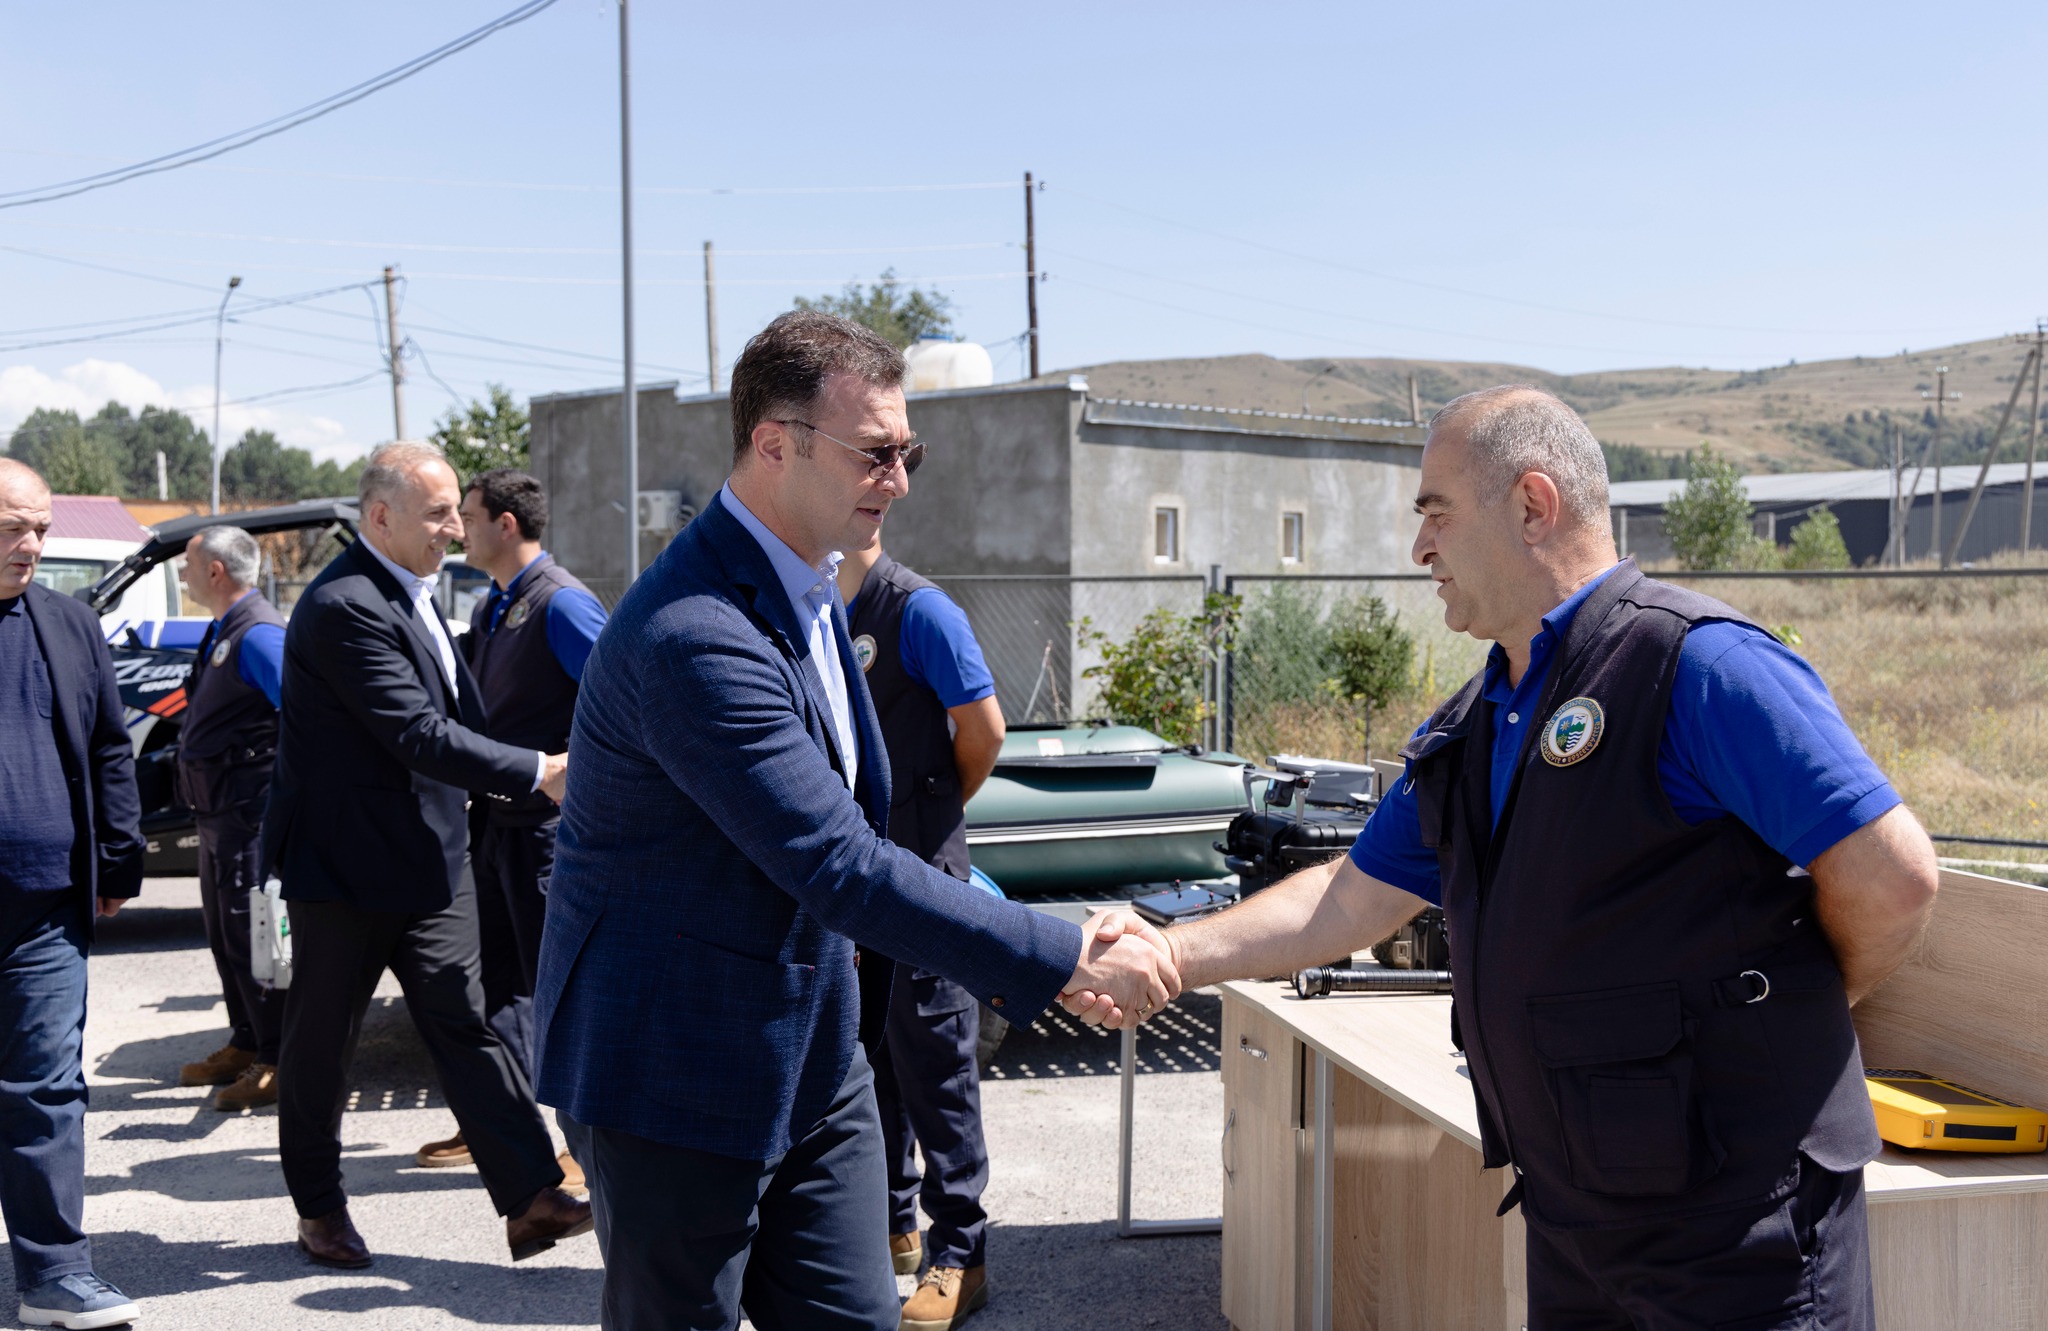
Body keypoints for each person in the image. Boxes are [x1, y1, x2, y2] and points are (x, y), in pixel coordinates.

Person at [1072, 386, 1940, 1331]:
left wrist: (1797, 1006)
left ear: (1532, 505)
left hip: (1740, 1227)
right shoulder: (1479, 720)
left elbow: (1892, 879)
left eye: (1437, 513)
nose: (1420, 548)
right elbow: (1348, 901)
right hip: (1577, 1215)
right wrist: (1171, 950)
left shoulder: (1698, 668)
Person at [532, 310, 1177, 1331]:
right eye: (874, 452)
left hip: (818, 1055)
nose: (899, 479)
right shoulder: (693, 631)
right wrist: (1062, 952)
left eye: (908, 450)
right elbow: (838, 862)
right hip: (676, 1067)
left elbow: (861, 826)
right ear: (774, 445)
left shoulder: (813, 586)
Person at [260, 442, 590, 1270]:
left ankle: (531, 1196)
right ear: (381, 517)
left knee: (468, 1022)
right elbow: (415, 731)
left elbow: (452, 720)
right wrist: (538, 770)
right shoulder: (343, 605)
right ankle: (319, 1207)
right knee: (322, 1044)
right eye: (439, 513)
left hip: (433, 861)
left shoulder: (414, 591)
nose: (455, 528)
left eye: (456, 512)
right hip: (344, 872)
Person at [409, 469, 606, 1192]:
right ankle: (505, 1127)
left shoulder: (561, 603)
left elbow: (622, 700)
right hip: (498, 825)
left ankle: (588, 1145)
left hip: (549, 833)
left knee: (563, 993)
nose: (458, 529)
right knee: (496, 986)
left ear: (506, 523)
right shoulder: (495, 605)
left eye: (467, 515)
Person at [836, 544, 1005, 1331]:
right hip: (856, 873)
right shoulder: (817, 607)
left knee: (937, 1058)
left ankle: (961, 1250)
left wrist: (931, 810)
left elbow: (985, 731)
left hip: (921, 870)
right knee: (875, 1053)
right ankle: (895, 1222)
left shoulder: (919, 610)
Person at [0, 458, 146, 1329]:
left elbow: (108, 746)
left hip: (46, 908)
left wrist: (120, 862)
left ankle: (55, 1274)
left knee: (48, 1088)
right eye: (13, 527)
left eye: (42, 529)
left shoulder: (69, 620)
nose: (32, 545)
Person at [172, 525, 287, 1113]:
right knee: (226, 936)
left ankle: (277, 1060)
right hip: (219, 816)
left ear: (215, 571)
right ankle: (246, 1041)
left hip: (248, 818)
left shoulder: (260, 636)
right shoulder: (226, 629)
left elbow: (306, 719)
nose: (182, 574)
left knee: (256, 938)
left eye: (188, 564)